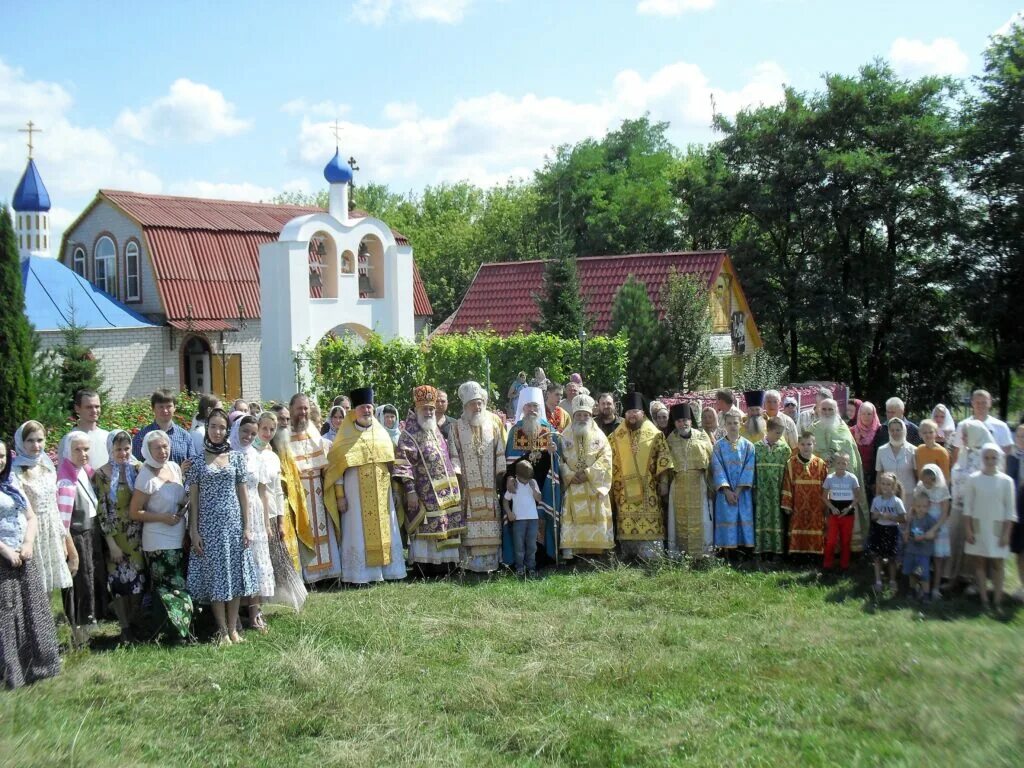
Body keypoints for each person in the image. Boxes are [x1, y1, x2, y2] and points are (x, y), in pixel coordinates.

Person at [186, 408, 259, 645]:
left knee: (235, 578)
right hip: (209, 528)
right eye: (213, 427)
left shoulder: (236, 458)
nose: (217, 431)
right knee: (216, 577)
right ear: (207, 429)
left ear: (227, 431)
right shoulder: (197, 461)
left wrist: (247, 527)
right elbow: (193, 500)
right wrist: (193, 530)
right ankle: (222, 630)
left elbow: (244, 496)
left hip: (234, 526)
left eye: (221, 427)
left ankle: (233, 628)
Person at [323, 387, 407, 585]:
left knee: (386, 527)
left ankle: (388, 571)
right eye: (362, 408)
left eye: (369, 407)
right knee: (357, 532)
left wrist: (395, 491)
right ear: (354, 410)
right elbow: (337, 468)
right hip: (354, 496)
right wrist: (340, 495)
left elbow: (391, 465)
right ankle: (360, 575)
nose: (367, 411)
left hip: (382, 493)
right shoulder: (345, 436)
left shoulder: (381, 434)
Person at [0, 437, 62, 689]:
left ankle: (40, 666)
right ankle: (11, 672)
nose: (0, 461)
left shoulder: (11, 481)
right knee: (6, 615)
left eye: (3, 456)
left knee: (34, 609)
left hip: (24, 554)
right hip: (4, 557)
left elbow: (30, 516)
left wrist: (27, 543)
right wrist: (5, 551)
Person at [130, 430, 192, 642]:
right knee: (169, 587)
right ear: (148, 450)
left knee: (178, 584)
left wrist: (187, 502)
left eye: (165, 447)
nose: (162, 451)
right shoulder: (145, 476)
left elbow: (180, 497)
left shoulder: (174, 468)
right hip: (157, 539)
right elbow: (134, 512)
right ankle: (173, 633)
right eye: (157, 447)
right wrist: (162, 518)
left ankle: (175, 630)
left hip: (178, 535)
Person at [395, 385, 465, 570]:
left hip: (446, 491)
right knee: (427, 527)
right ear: (416, 408)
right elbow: (404, 466)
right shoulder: (408, 435)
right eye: (424, 408)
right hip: (423, 492)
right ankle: (425, 567)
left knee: (445, 525)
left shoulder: (435, 430)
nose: (428, 412)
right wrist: (410, 492)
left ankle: (446, 565)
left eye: (431, 409)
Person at [12, 422, 76, 604]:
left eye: (40, 440)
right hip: (32, 531)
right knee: (32, 587)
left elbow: (54, 505)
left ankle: (47, 626)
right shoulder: (16, 471)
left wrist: (63, 537)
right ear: (20, 442)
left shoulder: (47, 466)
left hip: (51, 528)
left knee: (48, 588)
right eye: (30, 440)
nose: (36, 445)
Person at [93, 430, 145, 643]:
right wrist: (111, 544)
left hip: (138, 536)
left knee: (139, 582)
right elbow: (102, 511)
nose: (123, 453)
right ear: (110, 450)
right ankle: (124, 628)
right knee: (120, 584)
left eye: (126, 448)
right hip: (115, 537)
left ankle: (134, 621)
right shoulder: (102, 474)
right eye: (118, 449)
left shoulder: (138, 468)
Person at [610, 392, 674, 560]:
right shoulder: (615, 437)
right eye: (629, 411)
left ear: (643, 413)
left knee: (651, 541)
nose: (632, 415)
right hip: (623, 492)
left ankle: (651, 555)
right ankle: (628, 553)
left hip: (649, 491)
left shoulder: (655, 434)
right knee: (625, 524)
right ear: (625, 414)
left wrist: (664, 483)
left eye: (635, 411)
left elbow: (664, 459)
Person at [451, 381, 507, 573]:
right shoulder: (457, 427)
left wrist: (501, 473)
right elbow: (453, 453)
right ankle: (470, 564)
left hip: (489, 483)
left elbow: (500, 449)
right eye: (472, 404)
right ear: (465, 406)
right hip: (469, 485)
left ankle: (491, 563)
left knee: (491, 516)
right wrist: (457, 475)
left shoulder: (493, 424)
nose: (477, 407)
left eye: (479, 403)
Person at [504, 386, 561, 563]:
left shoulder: (549, 430)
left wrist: (553, 452)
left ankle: (543, 557)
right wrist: (511, 479)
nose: (532, 410)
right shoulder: (515, 431)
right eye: (528, 406)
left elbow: (557, 462)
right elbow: (509, 461)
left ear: (540, 408)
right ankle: (519, 560)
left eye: (535, 406)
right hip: (520, 487)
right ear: (522, 407)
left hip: (543, 484)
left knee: (542, 516)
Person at [256, 412, 306, 612]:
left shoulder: (272, 457)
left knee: (277, 559)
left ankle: (279, 602)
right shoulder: (247, 453)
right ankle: (256, 605)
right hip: (254, 514)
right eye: (264, 428)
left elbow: (277, 491)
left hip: (272, 514)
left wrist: (280, 521)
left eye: (272, 429)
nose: (268, 433)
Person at [289, 393, 341, 583]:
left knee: (322, 526)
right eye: (299, 408)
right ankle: (309, 576)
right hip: (299, 490)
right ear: (291, 409)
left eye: (305, 409)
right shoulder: (285, 434)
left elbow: (324, 459)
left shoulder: (312, 429)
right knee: (305, 528)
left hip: (318, 488)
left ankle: (327, 573)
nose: (303, 412)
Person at [230, 415, 274, 632]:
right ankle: (235, 616)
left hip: (255, 512)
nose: (248, 437)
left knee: (258, 562)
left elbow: (264, 492)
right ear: (237, 431)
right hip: (235, 512)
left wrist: (266, 523)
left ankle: (255, 614)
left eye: (252, 433)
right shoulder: (228, 455)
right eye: (244, 432)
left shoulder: (258, 457)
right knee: (238, 563)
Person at [57, 430, 102, 644]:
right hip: (75, 536)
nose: (83, 454)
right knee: (78, 584)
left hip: (89, 531)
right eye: (78, 449)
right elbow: (63, 522)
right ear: (68, 451)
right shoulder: (65, 481)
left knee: (88, 580)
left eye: (86, 449)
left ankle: (86, 630)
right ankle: (78, 634)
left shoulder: (83, 470)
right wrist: (71, 551)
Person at [559, 394, 615, 559]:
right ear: (574, 416)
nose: (582, 418)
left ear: (590, 416)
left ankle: (597, 549)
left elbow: (606, 457)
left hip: (593, 484)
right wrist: (568, 474)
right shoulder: (564, 436)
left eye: (586, 415)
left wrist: (588, 473)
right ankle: (572, 550)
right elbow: (559, 460)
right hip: (573, 484)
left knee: (597, 510)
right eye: (579, 415)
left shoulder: (600, 436)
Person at [963, 443, 1017, 613]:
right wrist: (969, 530)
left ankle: (998, 600)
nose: (990, 460)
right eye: (986, 457)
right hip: (978, 525)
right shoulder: (973, 479)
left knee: (998, 563)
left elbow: (1010, 511)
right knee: (979, 561)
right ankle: (984, 598)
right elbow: (967, 508)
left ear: (998, 458)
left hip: (997, 528)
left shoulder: (1006, 481)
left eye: (993, 457)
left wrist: (1006, 534)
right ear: (982, 458)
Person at [811, 398, 867, 551]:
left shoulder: (843, 427)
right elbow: (808, 450)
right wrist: (823, 459)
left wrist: (834, 455)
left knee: (842, 511)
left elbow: (848, 449)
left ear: (836, 411)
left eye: (831, 409)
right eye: (824, 409)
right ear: (819, 411)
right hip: (820, 476)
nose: (828, 412)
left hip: (841, 478)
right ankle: (824, 547)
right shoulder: (813, 428)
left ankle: (845, 549)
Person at [949, 418, 996, 587]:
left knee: (973, 545)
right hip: (957, 505)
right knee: (955, 541)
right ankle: (954, 577)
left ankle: (975, 581)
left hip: (976, 509)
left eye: (967, 435)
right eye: (964, 435)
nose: (965, 438)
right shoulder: (963, 453)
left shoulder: (988, 457)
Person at [667, 402, 715, 558]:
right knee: (677, 519)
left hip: (699, 483)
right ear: (675, 423)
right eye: (679, 421)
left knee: (702, 519)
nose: (683, 423)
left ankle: (703, 552)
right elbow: (666, 463)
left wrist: (710, 485)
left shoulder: (701, 435)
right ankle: (680, 553)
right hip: (678, 484)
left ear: (690, 420)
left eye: (685, 420)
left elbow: (711, 459)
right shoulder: (670, 439)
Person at [711, 408, 755, 554]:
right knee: (727, 518)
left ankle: (743, 551)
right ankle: (727, 551)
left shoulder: (748, 446)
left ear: (740, 424)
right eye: (729, 423)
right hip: (725, 493)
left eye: (735, 423)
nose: (732, 426)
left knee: (743, 517)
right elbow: (717, 469)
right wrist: (727, 491)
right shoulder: (718, 446)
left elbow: (749, 469)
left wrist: (737, 491)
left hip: (742, 492)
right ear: (724, 425)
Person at [781, 432, 828, 559]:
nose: (806, 447)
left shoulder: (820, 464)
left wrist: (826, 505)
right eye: (802, 444)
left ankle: (814, 556)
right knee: (797, 527)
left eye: (809, 444)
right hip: (797, 506)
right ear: (798, 445)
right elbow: (787, 485)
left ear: (814, 445)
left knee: (816, 528)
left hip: (816, 507)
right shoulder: (791, 463)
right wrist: (787, 504)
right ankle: (797, 556)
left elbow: (826, 487)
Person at [753, 417, 791, 558]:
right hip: (761, 491)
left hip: (777, 491)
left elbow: (788, 473)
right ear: (768, 430)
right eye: (777, 433)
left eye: (781, 433)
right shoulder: (756, 448)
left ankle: (777, 552)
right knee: (760, 518)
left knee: (777, 519)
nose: (779, 436)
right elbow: (752, 471)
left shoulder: (784, 449)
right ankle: (760, 550)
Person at [132, 389, 197, 467]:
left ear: (174, 408)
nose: (165, 410)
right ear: (153, 408)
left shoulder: (185, 436)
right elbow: (135, 465)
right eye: (161, 407)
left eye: (169, 406)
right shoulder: (142, 437)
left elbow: (192, 464)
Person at [867, 472, 907, 594]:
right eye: (883, 484)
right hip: (879, 530)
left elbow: (903, 518)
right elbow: (872, 516)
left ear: (894, 487)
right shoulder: (876, 500)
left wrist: (892, 517)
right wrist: (878, 515)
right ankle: (878, 581)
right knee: (877, 557)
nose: (885, 486)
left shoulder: (897, 501)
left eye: (888, 484)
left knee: (892, 558)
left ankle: (892, 580)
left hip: (892, 530)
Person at [916, 464, 951, 600]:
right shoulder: (920, 487)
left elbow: (944, 513)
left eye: (929, 480)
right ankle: (923, 587)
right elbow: (916, 505)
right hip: (922, 523)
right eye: (924, 480)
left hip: (938, 526)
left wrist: (933, 529)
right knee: (922, 558)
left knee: (937, 559)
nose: (926, 482)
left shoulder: (942, 489)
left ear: (934, 478)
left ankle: (936, 588)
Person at [822, 452, 861, 572]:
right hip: (834, 514)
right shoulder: (830, 478)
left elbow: (858, 497)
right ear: (834, 463)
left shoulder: (852, 478)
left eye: (843, 463)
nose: (841, 465)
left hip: (848, 514)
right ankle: (828, 564)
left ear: (847, 464)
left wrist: (849, 508)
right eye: (838, 463)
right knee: (831, 540)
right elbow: (823, 496)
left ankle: (845, 565)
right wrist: (832, 508)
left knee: (846, 540)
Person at [503, 461, 543, 577]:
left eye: (529, 478)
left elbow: (539, 498)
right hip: (518, 520)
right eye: (525, 479)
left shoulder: (533, 482)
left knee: (532, 546)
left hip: (533, 519)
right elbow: (505, 500)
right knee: (519, 546)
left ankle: (531, 567)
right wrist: (509, 513)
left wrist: (534, 489)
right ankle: (520, 568)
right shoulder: (514, 484)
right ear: (518, 476)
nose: (527, 480)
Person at [951, 389, 1013, 460]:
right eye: (977, 402)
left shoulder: (1001, 426)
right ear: (972, 403)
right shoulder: (963, 425)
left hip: (992, 468)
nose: (980, 405)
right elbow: (957, 450)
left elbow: (1007, 451)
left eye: (984, 402)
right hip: (970, 468)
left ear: (990, 403)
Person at [57, 389, 110, 469]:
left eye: (97, 406)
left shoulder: (108, 436)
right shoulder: (70, 439)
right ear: (77, 408)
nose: (94, 411)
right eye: (89, 407)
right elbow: (63, 471)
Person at [903, 490, 940, 601]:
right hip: (911, 550)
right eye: (918, 506)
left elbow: (934, 535)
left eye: (924, 506)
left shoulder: (930, 520)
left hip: (923, 553)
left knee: (924, 574)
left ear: (928, 507)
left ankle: (926, 594)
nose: (920, 508)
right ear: (914, 506)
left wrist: (923, 537)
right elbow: (907, 530)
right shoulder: (912, 518)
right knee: (911, 572)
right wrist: (906, 534)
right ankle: (912, 590)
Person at [876, 418, 917, 510]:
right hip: (888, 495)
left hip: (909, 495)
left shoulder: (913, 450)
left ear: (904, 430)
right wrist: (878, 495)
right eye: (892, 430)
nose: (895, 433)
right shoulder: (881, 450)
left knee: (906, 521)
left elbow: (916, 474)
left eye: (898, 430)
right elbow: (879, 474)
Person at [1005, 423, 1024, 602]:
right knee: (1019, 550)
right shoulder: (1010, 459)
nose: (1021, 439)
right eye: (1019, 436)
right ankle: (1022, 585)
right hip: (1015, 511)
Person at [852, 401, 882, 498]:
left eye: (869, 414)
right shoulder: (852, 431)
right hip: (857, 476)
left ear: (874, 415)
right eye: (863, 413)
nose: (866, 416)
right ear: (859, 414)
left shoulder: (880, 431)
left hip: (876, 476)